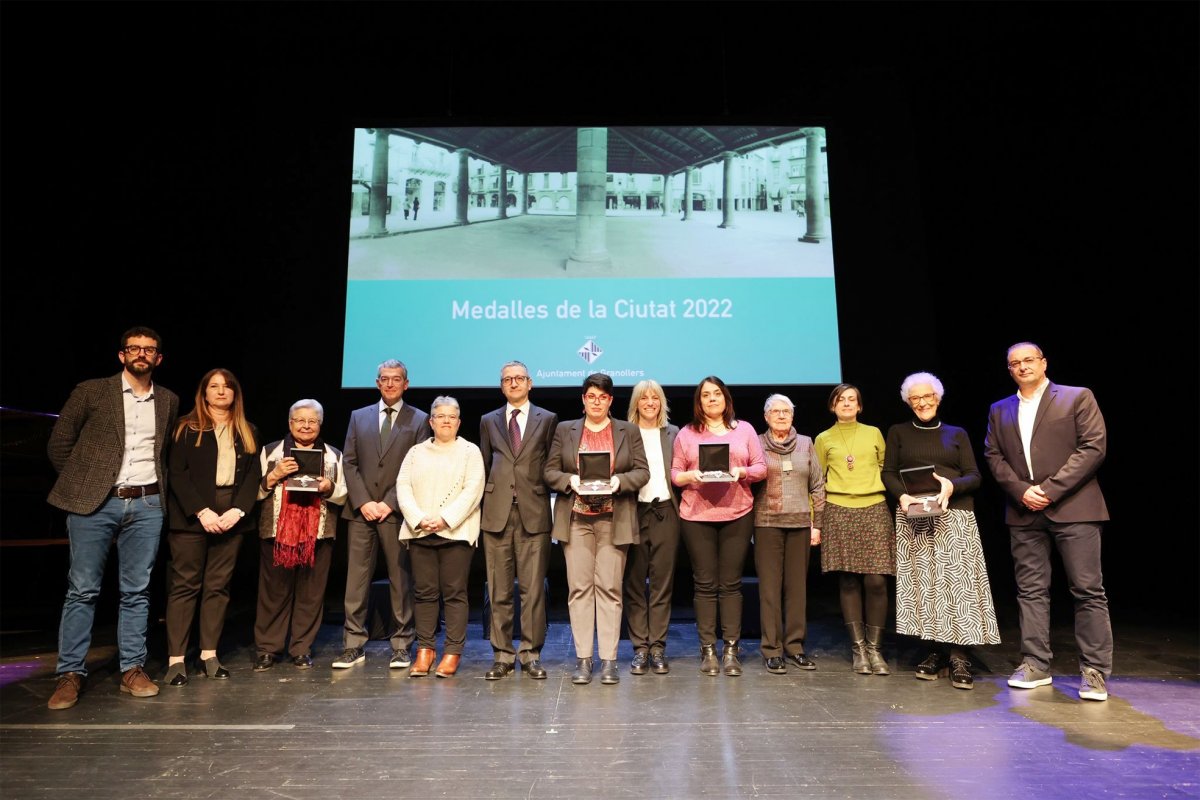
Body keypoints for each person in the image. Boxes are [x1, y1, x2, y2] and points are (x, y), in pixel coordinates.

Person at [45, 327, 180, 709]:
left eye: (149, 349)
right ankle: (70, 673)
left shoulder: (168, 399)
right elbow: (59, 444)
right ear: (121, 355)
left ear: (158, 358)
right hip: (95, 503)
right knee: (83, 589)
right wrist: (84, 485)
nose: (141, 354)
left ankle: (132, 669)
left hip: (147, 504)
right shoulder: (91, 391)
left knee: (137, 592)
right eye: (134, 349)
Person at [984, 342, 1112, 701]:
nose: (1022, 366)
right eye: (1015, 363)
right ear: (1009, 370)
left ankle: (1094, 671)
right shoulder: (1000, 409)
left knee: (1087, 590)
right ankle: (1036, 664)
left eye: (1029, 360)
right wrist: (1023, 491)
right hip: (1024, 512)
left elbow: (1093, 448)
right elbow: (993, 456)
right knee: (1030, 591)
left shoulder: (1076, 397)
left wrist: (1050, 490)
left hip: (1075, 508)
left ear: (1043, 363)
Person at [882, 373, 999, 690]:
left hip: (955, 514)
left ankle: (960, 654)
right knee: (926, 586)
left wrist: (951, 486)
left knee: (957, 588)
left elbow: (974, 475)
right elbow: (889, 472)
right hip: (914, 516)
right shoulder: (898, 432)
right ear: (908, 401)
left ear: (938, 397)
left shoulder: (956, 434)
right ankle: (933, 649)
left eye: (928, 396)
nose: (922, 402)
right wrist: (903, 497)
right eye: (915, 398)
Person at [545, 374, 649, 685]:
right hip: (576, 519)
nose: (596, 402)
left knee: (610, 590)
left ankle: (609, 660)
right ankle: (583, 659)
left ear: (610, 401)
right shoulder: (566, 430)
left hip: (613, 519)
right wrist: (569, 481)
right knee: (579, 590)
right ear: (583, 399)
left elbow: (642, 471)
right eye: (591, 396)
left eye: (602, 397)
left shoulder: (627, 431)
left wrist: (619, 481)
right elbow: (549, 471)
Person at [163, 368, 261, 685]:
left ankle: (209, 654)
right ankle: (176, 660)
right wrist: (201, 511)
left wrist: (239, 510)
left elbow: (252, 478)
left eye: (227, 386)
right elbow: (177, 474)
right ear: (204, 393)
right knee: (185, 585)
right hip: (192, 518)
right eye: (214, 386)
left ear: (235, 393)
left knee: (217, 587)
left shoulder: (247, 431)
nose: (221, 391)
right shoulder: (186, 428)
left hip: (231, 515)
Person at [334, 359, 427, 670]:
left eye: (396, 379)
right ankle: (353, 645)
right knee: (356, 581)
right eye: (384, 379)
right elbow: (349, 463)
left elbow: (415, 466)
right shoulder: (358, 417)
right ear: (377, 383)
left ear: (406, 384)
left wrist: (388, 503)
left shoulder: (420, 419)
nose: (390, 384)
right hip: (361, 512)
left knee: (400, 580)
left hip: (396, 511)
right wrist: (363, 502)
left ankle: (401, 645)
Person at [671, 376, 766, 677]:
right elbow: (675, 473)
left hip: (737, 513)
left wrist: (741, 472)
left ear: (726, 398)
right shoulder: (686, 434)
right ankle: (708, 649)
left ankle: (731, 650)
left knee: (731, 583)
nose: (711, 399)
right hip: (697, 515)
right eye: (705, 396)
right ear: (698, 403)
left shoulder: (745, 430)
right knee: (705, 583)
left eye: (716, 394)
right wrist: (691, 476)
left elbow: (761, 468)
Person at [477, 360, 558, 680]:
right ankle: (502, 653)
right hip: (496, 513)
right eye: (507, 379)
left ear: (530, 383)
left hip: (534, 512)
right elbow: (486, 462)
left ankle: (530, 652)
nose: (513, 383)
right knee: (497, 589)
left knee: (533, 589)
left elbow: (551, 463)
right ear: (501, 386)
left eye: (519, 378)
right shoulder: (488, 420)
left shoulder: (548, 419)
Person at [253, 399, 347, 671]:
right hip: (276, 532)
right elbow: (255, 492)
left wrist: (329, 487)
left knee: (311, 594)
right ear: (290, 423)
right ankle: (268, 649)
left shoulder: (333, 455)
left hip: (318, 534)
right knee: (273, 593)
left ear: (320, 424)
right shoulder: (271, 452)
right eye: (300, 420)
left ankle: (301, 648)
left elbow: (344, 496)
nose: (306, 426)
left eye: (312, 421)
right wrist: (273, 476)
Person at [395, 397, 485, 678]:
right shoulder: (415, 453)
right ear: (431, 422)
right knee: (423, 594)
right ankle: (425, 650)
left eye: (451, 416)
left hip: (455, 534)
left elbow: (473, 490)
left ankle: (452, 652)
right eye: (440, 416)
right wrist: (420, 518)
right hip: (420, 531)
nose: (446, 420)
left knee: (455, 594)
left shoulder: (470, 452)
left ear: (458, 422)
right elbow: (403, 487)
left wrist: (445, 518)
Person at [814, 383, 894, 676]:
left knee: (876, 581)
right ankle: (858, 649)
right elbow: (816, 482)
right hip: (838, 510)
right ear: (832, 406)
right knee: (848, 580)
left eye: (852, 400)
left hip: (873, 508)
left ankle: (875, 648)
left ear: (859, 406)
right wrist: (816, 520)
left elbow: (886, 467)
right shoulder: (823, 439)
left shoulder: (873, 433)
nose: (846, 404)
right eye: (841, 400)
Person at [753, 394, 825, 674]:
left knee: (797, 589)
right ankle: (772, 649)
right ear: (766, 417)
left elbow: (818, 486)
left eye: (786, 412)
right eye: (775, 411)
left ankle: (795, 646)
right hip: (767, 523)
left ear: (793, 416)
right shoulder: (756, 443)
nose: (781, 416)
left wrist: (816, 524)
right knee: (769, 590)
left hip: (800, 524)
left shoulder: (806, 443)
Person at [622, 379, 680, 675]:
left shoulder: (673, 433)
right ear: (636, 403)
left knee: (661, 584)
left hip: (665, 512)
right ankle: (640, 648)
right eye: (643, 398)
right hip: (633, 512)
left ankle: (657, 647)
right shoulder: (624, 432)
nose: (649, 403)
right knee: (633, 583)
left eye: (654, 398)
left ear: (661, 403)